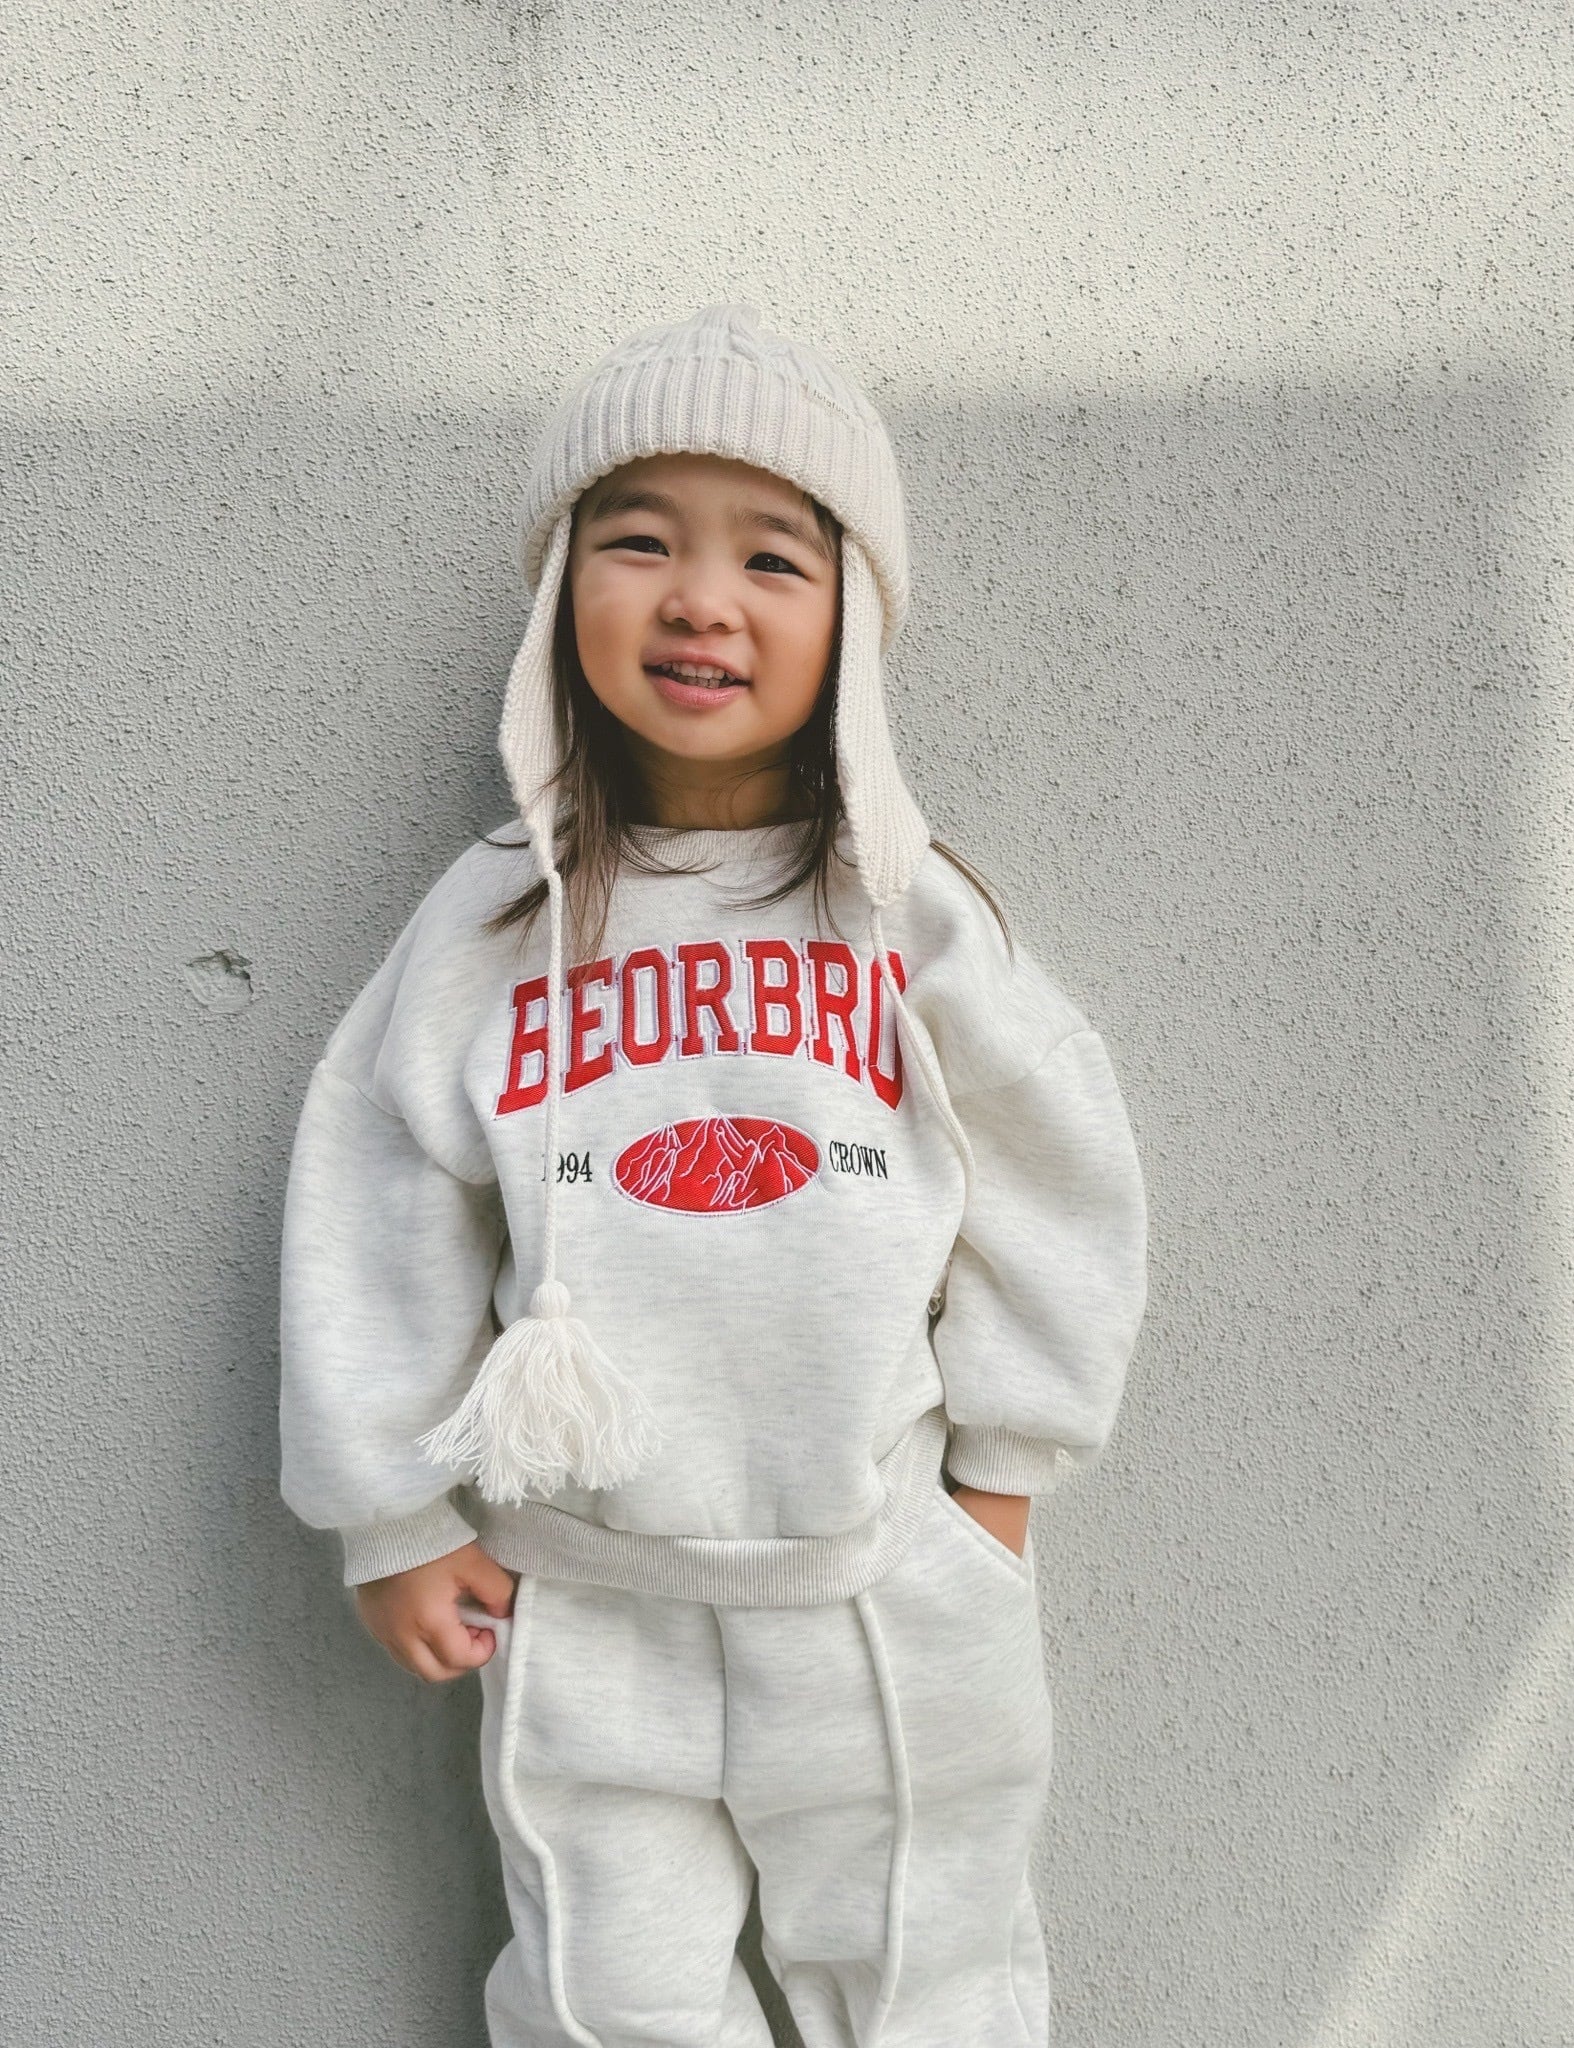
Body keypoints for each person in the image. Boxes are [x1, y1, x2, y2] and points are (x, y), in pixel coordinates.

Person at [276, 303, 1150, 2047]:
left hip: (881, 1582)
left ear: (852, 624)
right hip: (585, 1602)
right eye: (638, 542)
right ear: (559, 596)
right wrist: (390, 1516)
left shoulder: (907, 918)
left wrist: (1005, 1473)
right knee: (605, 2000)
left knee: (930, 1980)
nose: (699, 598)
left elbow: (1056, 1174)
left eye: (771, 557)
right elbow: (375, 1202)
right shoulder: (491, 925)